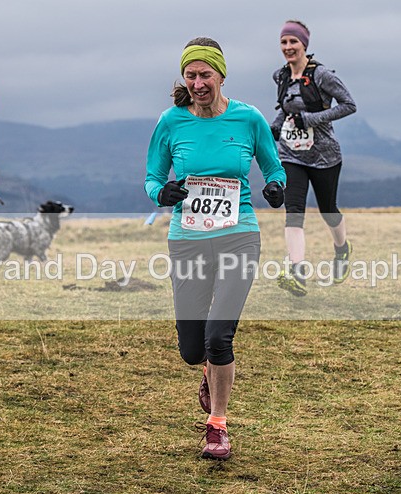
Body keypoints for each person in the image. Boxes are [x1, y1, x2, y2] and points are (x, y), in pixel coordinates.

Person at [145, 37, 286, 460]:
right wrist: (163, 193)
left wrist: (276, 186)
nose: (198, 82)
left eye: (205, 74)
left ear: (221, 75)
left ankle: (218, 427)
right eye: (190, 75)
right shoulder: (171, 121)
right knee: (193, 349)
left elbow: (272, 165)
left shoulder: (249, 118)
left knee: (218, 337)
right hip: (187, 240)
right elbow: (152, 177)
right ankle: (206, 370)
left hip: (238, 234)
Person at [270, 20, 357, 296]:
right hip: (291, 154)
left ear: (304, 44)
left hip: (324, 155)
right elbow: (286, 108)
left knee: (328, 211)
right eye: (284, 42)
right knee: (293, 213)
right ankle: (297, 272)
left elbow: (349, 105)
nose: (288, 47)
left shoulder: (322, 75)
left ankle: (342, 249)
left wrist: (310, 119)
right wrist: (275, 125)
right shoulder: (280, 76)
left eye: (293, 42)